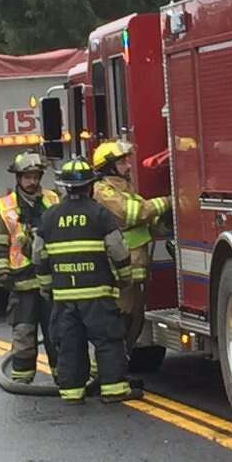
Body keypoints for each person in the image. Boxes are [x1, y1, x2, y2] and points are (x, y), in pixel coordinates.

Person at [33, 157, 139, 405]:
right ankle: (113, 390)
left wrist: (47, 286)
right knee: (108, 341)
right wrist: (126, 279)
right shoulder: (100, 214)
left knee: (69, 345)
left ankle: (72, 393)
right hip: (97, 296)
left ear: (64, 187)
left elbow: (39, 255)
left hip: (64, 297)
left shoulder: (50, 217)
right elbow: (118, 250)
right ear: (90, 186)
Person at [91, 140, 172, 349]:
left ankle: (118, 369)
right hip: (120, 269)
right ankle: (106, 371)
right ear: (109, 167)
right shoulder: (103, 191)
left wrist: (163, 223)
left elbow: (143, 220)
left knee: (133, 321)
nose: (128, 166)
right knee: (119, 321)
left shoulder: (124, 189)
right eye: (122, 162)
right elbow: (132, 213)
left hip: (135, 265)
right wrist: (168, 202)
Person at [0, 152, 60, 383]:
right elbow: (0, 243)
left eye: (35, 176)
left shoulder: (53, 200)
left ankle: (65, 377)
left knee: (57, 332)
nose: (32, 182)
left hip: (52, 281)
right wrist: (2, 271)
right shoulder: (6, 206)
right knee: (24, 333)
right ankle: (22, 379)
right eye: (27, 177)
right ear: (18, 178)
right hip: (22, 283)